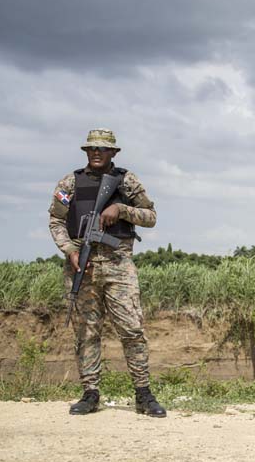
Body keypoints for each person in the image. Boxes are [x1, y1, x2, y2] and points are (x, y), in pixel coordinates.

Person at [48, 128, 166, 417]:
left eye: (102, 149)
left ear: (114, 152)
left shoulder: (127, 181)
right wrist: (70, 251)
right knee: (86, 332)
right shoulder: (70, 182)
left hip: (118, 266)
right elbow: (55, 220)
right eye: (91, 149)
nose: (96, 153)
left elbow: (150, 216)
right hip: (82, 266)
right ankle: (90, 394)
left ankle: (143, 394)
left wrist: (121, 210)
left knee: (132, 329)